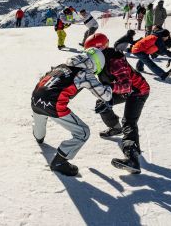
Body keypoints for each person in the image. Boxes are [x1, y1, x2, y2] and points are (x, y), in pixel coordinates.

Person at [31, 48, 112, 176]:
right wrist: (109, 84)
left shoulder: (61, 66)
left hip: (35, 99)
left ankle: (39, 136)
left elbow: (44, 79)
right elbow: (106, 96)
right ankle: (59, 162)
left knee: (41, 119)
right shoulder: (85, 74)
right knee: (83, 132)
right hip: (53, 106)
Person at [84, 33, 150, 174]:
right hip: (124, 90)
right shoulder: (100, 60)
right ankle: (115, 127)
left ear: (99, 50)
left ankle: (132, 158)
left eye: (91, 52)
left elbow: (126, 85)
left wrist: (107, 89)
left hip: (138, 91)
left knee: (129, 122)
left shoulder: (115, 61)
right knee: (101, 102)